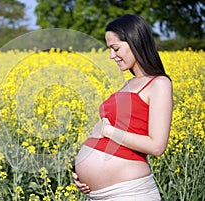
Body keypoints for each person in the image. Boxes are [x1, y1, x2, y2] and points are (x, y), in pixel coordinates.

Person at [72, 14, 173, 200]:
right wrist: (80, 172)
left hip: (129, 192)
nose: (112, 56)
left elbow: (157, 146)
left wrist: (107, 131)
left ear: (135, 42)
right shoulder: (128, 84)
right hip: (96, 195)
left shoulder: (159, 83)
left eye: (115, 48)